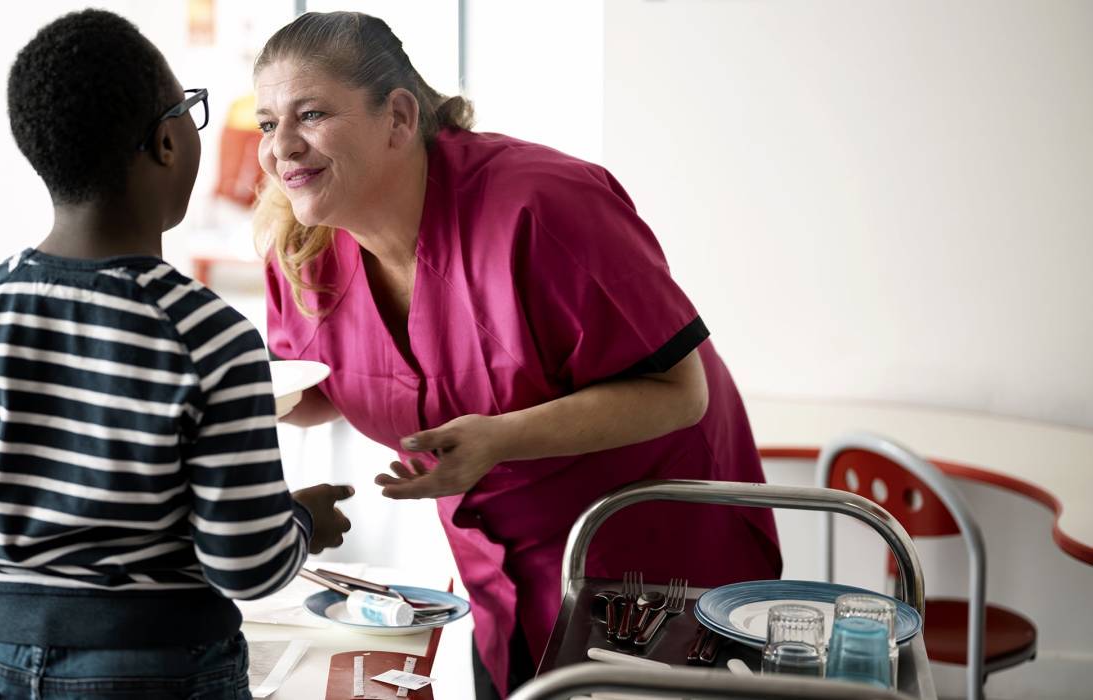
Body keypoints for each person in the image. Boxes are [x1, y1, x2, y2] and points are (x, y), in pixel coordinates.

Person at [252, 11, 782, 699]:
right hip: (500, 567)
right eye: (268, 123)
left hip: (653, 553)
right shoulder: (304, 248)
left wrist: (500, 439)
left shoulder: (541, 206)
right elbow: (323, 388)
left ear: (398, 118)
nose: (280, 148)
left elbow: (680, 392)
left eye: (311, 114)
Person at [0, 10, 353, 699]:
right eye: (189, 113)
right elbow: (248, 565)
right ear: (166, 143)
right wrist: (303, 522)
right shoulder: (205, 334)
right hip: (161, 664)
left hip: (4, 656)